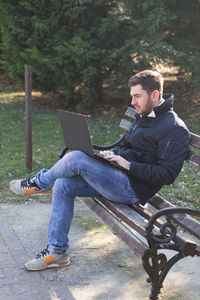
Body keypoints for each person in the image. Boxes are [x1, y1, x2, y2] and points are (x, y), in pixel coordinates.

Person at [10, 70, 190, 271]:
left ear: (155, 95)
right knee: (63, 183)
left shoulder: (174, 128)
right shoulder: (145, 115)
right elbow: (132, 147)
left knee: (76, 157)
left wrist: (127, 164)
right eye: (132, 96)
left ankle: (40, 183)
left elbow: (166, 175)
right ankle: (56, 252)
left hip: (133, 189)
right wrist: (112, 156)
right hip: (118, 176)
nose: (132, 102)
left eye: (137, 96)